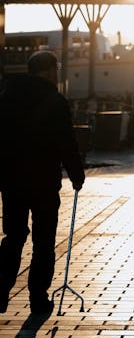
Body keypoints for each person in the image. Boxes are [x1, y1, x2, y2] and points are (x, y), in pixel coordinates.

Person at [0, 51, 85, 314]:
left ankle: (0, 289)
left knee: (13, 235)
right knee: (44, 240)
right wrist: (76, 173)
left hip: (12, 180)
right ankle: (38, 297)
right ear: (49, 71)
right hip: (44, 181)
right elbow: (65, 141)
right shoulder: (54, 100)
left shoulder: (6, 97)